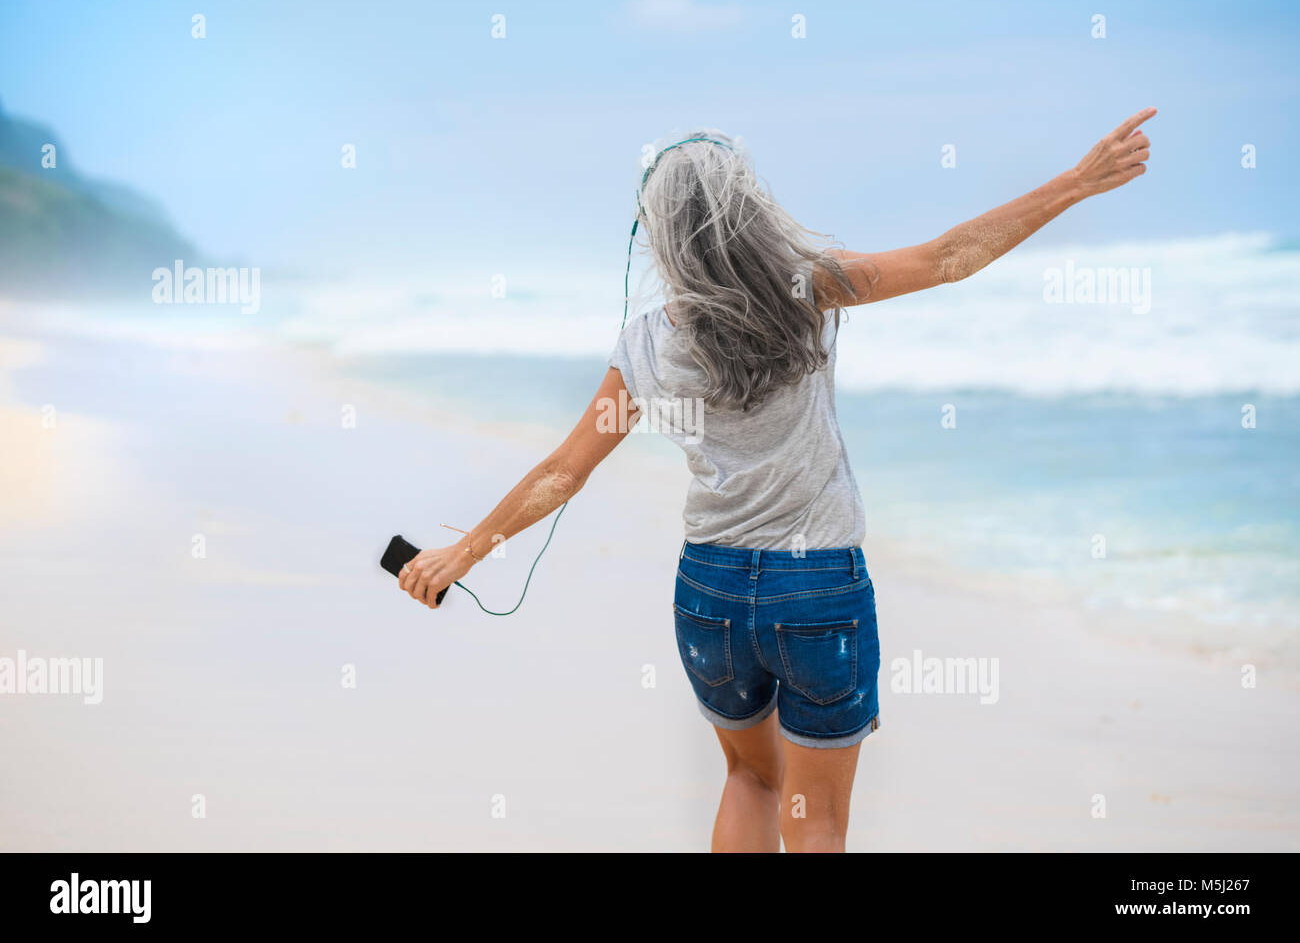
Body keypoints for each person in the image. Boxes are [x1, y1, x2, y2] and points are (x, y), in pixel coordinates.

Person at [399, 108, 1156, 852]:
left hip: (711, 593)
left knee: (752, 780)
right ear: (748, 212)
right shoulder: (807, 290)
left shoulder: (646, 344)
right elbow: (949, 257)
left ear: (658, 234)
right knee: (816, 819)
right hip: (817, 587)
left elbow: (564, 470)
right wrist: (1075, 184)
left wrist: (461, 554)